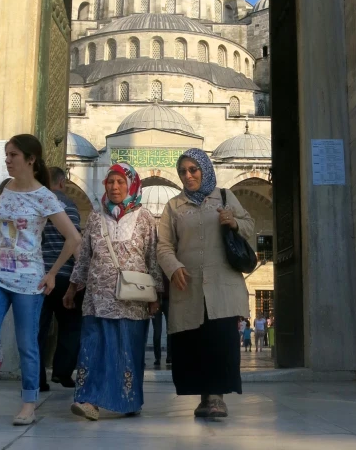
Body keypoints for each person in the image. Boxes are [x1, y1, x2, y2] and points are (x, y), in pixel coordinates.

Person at [0, 135, 81, 430]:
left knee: (27, 344)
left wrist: (51, 273)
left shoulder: (45, 197)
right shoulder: (4, 189)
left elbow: (74, 238)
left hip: (29, 281)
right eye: (5, 154)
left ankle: (28, 403)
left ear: (30, 159)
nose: (7, 159)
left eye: (13, 155)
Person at [157, 148, 254, 419]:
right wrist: (173, 267)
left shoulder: (224, 196)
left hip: (222, 284)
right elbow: (163, 245)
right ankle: (203, 397)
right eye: (182, 172)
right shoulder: (173, 206)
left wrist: (233, 221)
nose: (188, 176)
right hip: (188, 285)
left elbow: (250, 225)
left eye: (193, 170)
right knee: (195, 343)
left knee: (219, 340)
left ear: (205, 169)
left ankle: (216, 397)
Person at [63, 162, 163, 421]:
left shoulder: (144, 218)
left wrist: (156, 296)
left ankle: (129, 401)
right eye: (111, 182)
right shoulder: (96, 217)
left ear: (131, 184)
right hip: (97, 297)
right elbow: (84, 256)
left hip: (132, 298)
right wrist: (73, 288)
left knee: (127, 350)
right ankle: (89, 401)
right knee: (93, 347)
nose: (115, 187)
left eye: (120, 182)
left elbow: (153, 257)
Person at [38, 166, 83, 392]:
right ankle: (62, 372)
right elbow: (74, 240)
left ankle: (37, 378)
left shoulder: (37, 202)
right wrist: (81, 276)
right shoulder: (69, 206)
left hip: (39, 276)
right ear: (62, 183)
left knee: (39, 328)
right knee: (72, 325)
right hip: (65, 276)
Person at [152, 272, 172, 367]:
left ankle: (169, 356)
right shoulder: (154, 262)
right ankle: (157, 357)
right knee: (157, 331)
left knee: (170, 330)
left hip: (168, 299)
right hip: (156, 299)